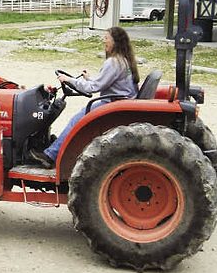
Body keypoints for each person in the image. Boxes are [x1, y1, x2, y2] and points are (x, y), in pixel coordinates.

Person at [30, 26, 139, 168]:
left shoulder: (114, 62)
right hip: (117, 100)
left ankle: (50, 155)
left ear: (115, 42)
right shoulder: (122, 60)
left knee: (77, 118)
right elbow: (102, 82)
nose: (103, 41)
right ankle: (55, 148)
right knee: (79, 116)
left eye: (106, 38)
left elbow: (93, 88)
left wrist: (69, 80)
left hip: (113, 102)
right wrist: (88, 78)